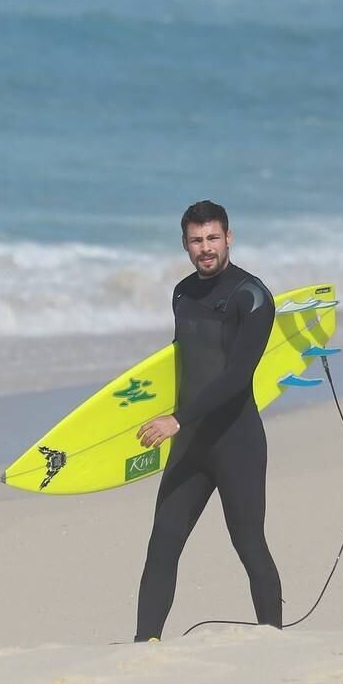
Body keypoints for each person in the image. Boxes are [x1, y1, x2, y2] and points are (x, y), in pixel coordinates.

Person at [133, 200, 282, 642]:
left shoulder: (252, 297)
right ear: (185, 244)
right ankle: (144, 644)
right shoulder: (182, 293)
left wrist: (177, 419)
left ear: (229, 238)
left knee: (249, 544)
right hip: (191, 444)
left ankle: (274, 639)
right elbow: (182, 364)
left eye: (213, 237)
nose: (206, 248)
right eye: (196, 240)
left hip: (236, 441)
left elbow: (237, 376)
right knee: (163, 543)